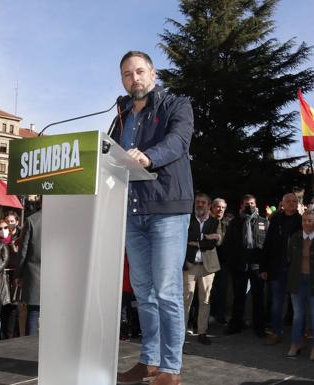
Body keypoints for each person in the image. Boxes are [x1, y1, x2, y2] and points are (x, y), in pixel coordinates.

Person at [112, 50, 194, 385]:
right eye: (128, 75)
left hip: (168, 210)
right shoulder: (120, 117)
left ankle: (170, 369)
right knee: (143, 291)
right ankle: (149, 361)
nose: (135, 79)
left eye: (140, 72)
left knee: (167, 291)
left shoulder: (176, 105)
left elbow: (178, 142)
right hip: (133, 212)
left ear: (153, 74)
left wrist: (149, 156)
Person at [223, 194, 268, 337]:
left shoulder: (263, 222)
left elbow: (268, 246)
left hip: (256, 266)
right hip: (239, 265)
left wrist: (265, 266)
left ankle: (259, 327)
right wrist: (231, 263)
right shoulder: (234, 223)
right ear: (241, 206)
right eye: (247, 204)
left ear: (256, 205)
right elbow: (228, 244)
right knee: (238, 297)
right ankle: (235, 325)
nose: (249, 206)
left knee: (258, 297)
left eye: (252, 203)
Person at [286, 210, 314, 361]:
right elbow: (289, 256)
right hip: (297, 281)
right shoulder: (295, 238)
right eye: (304, 220)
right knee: (298, 316)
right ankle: (295, 343)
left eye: (310, 221)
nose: (306, 223)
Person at [183, 193, 221, 345]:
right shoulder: (187, 219)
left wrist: (196, 242)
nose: (199, 205)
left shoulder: (214, 221)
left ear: (209, 205)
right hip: (189, 265)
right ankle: (181, 333)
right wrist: (205, 238)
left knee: (205, 300)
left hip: (207, 266)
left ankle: (202, 332)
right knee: (185, 300)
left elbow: (212, 244)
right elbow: (185, 238)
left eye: (203, 202)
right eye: (197, 202)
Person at [264, 193, 302, 345]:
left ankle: (298, 335)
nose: (292, 204)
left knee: (297, 304)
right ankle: (276, 331)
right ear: (283, 203)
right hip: (277, 267)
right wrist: (264, 267)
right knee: (277, 302)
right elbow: (268, 243)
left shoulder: (301, 220)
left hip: (296, 268)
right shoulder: (276, 220)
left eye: (294, 201)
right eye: (289, 201)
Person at [15, 208, 42, 336]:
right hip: (56, 275)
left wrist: (18, 274)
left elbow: (23, 251)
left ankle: (30, 347)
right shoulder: (64, 219)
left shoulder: (32, 220)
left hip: (34, 275)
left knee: (33, 312)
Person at [209, 198, 229, 325]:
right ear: (212, 207)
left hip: (223, 261)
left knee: (222, 289)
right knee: (208, 290)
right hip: (208, 261)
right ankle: (208, 315)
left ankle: (219, 315)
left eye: (222, 207)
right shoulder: (207, 222)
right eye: (217, 207)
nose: (220, 209)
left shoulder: (227, 224)